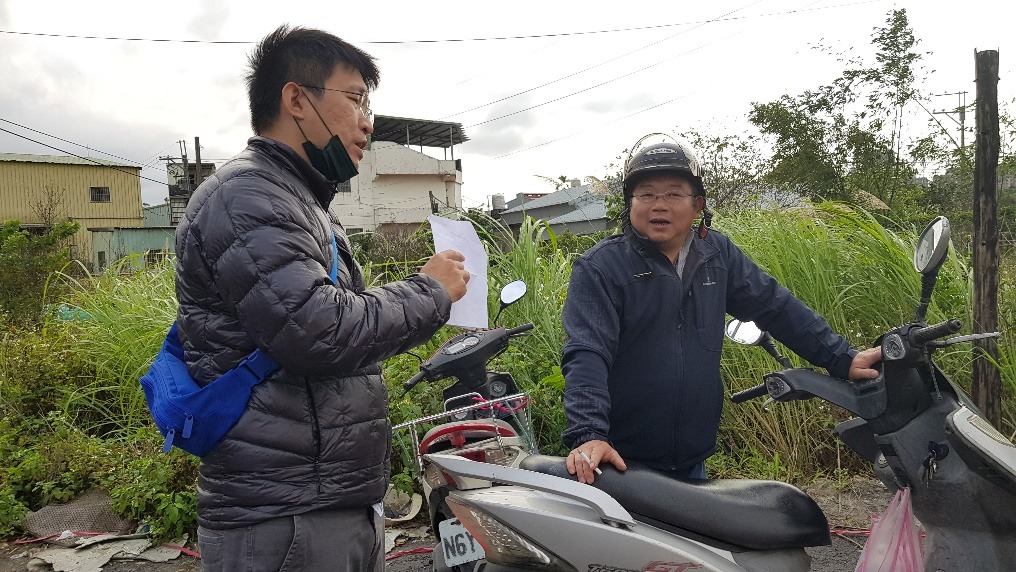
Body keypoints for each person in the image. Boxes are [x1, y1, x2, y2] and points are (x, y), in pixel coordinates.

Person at [174, 25, 470, 571]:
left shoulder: (296, 199)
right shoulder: (248, 195)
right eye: (355, 98)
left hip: (320, 503)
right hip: (284, 520)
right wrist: (429, 291)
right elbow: (320, 331)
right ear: (297, 100)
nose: (367, 120)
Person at [561, 136, 881, 484]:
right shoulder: (601, 268)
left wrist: (841, 358)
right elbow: (587, 353)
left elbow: (775, 306)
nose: (659, 205)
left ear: (697, 205)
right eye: (647, 194)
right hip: (621, 463)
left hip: (693, 456)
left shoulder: (716, 255)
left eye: (673, 194)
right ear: (630, 204)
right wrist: (589, 433)